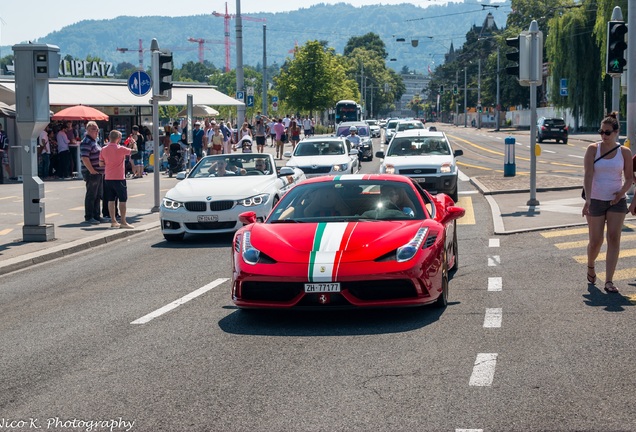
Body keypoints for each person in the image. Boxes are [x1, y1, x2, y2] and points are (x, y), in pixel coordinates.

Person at [582, 112, 633, 293]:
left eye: (607, 132)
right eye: (601, 132)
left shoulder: (624, 152)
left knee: (614, 238)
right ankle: (590, 264)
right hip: (595, 199)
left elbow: (629, 178)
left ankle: (609, 280)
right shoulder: (592, 149)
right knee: (595, 241)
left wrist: (621, 194)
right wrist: (588, 199)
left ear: (616, 132)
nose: (603, 136)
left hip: (616, 201)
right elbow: (588, 175)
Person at [99, 129, 135, 229]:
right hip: (119, 177)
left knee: (111, 199)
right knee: (122, 200)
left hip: (108, 177)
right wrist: (134, 143)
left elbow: (101, 163)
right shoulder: (121, 149)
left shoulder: (103, 149)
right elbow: (134, 151)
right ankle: (123, 221)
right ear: (118, 138)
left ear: (109, 137)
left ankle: (113, 221)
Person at [80, 121, 105, 225]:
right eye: (94, 129)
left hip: (98, 172)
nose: (97, 131)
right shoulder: (86, 141)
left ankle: (96, 216)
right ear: (88, 130)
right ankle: (89, 216)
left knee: (98, 195)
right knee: (91, 195)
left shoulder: (94, 141)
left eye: (97, 129)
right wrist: (92, 170)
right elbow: (85, 158)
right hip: (92, 173)